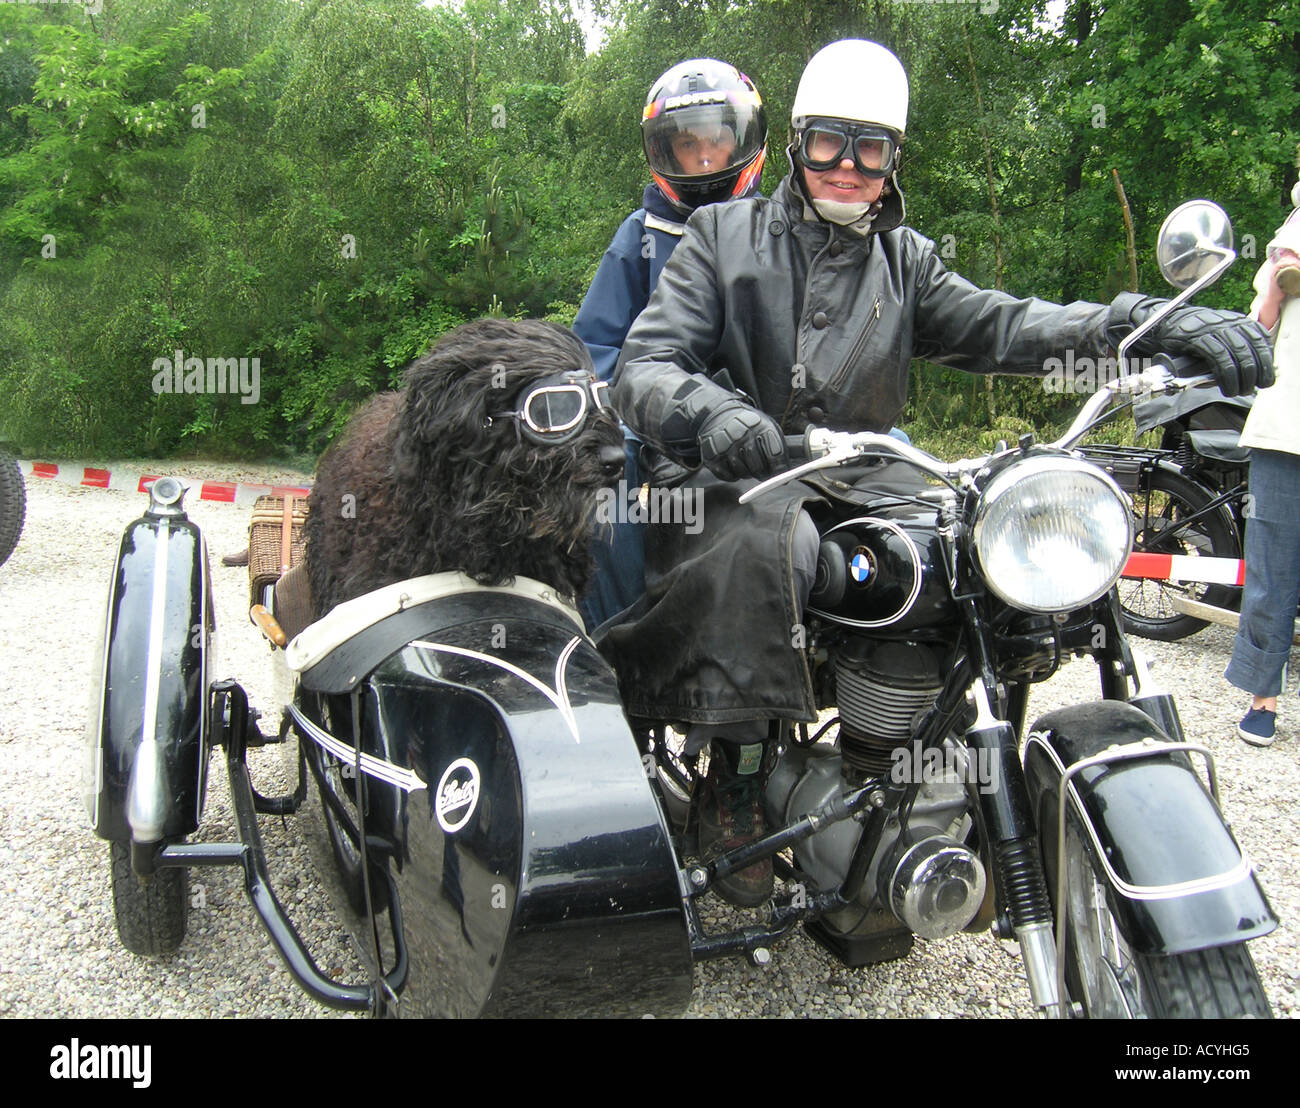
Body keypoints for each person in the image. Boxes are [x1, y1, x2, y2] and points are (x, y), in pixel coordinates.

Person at [602, 39, 1275, 906]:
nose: (847, 166)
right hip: (738, 478)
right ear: (799, 143)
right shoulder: (719, 235)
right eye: (829, 143)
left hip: (868, 473)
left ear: (892, 160)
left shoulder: (905, 261)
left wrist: (1139, 323)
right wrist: (715, 415)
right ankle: (733, 763)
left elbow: (1009, 326)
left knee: (968, 541)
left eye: (870, 147)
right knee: (762, 542)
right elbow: (644, 367)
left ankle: (929, 748)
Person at [573, 59, 767, 631]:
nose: (705, 158)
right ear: (666, 154)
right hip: (656, 426)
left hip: (764, 419)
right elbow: (597, 349)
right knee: (604, 479)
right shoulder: (641, 236)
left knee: (883, 450)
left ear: (742, 142)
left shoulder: (777, 233)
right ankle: (620, 644)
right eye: (688, 145)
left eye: (716, 140)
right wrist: (648, 420)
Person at [1226, 176, 1300, 747]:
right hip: (1284, 430)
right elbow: (1260, 327)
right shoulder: (1289, 234)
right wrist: (1279, 278)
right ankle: (1263, 697)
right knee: (1272, 572)